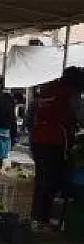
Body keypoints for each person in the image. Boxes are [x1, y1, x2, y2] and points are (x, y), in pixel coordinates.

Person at [29, 67, 84, 231]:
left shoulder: (47, 90)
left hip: (38, 139)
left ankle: (36, 217)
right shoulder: (69, 93)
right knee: (51, 181)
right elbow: (80, 115)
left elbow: (31, 114)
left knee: (41, 179)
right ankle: (42, 218)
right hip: (56, 141)